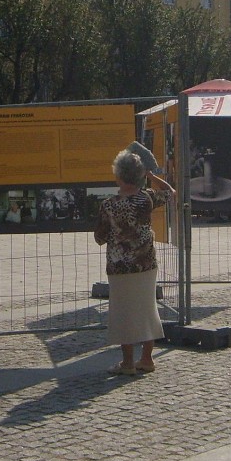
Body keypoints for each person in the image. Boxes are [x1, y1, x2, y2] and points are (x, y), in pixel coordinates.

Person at [95, 149, 175, 375]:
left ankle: (127, 363)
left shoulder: (108, 204)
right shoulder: (147, 197)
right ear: (139, 175)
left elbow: (99, 237)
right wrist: (152, 176)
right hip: (145, 262)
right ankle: (147, 359)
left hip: (119, 265)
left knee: (123, 312)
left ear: (118, 175)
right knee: (147, 309)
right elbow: (171, 192)